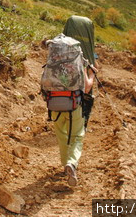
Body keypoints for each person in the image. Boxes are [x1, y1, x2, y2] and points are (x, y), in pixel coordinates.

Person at [52, 15, 99, 186]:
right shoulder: (80, 56)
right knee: (77, 135)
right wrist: (92, 74)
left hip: (54, 102)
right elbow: (86, 87)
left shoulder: (56, 51)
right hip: (74, 103)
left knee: (61, 134)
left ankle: (65, 163)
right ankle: (71, 163)